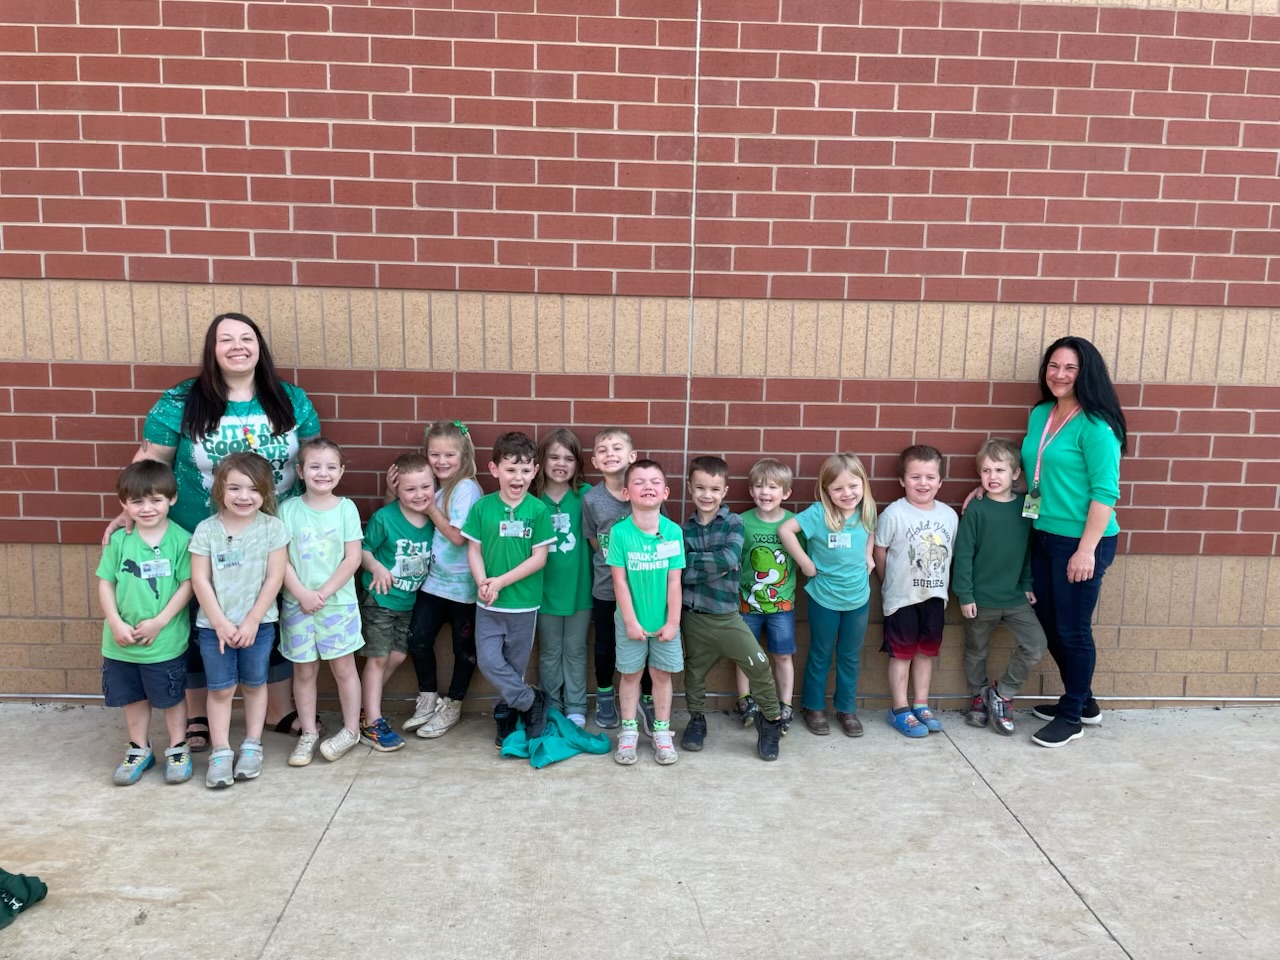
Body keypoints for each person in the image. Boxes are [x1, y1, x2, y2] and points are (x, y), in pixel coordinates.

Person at [105, 312, 320, 752]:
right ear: (213, 349)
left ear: (259, 347)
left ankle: (277, 708)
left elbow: (312, 457)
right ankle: (199, 714)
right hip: (197, 533)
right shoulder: (183, 399)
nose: (237, 346)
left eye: (247, 338)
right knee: (200, 618)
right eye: (226, 339)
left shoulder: (290, 399)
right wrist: (129, 509)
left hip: (271, 532)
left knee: (269, 612)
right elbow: (151, 459)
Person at [1023, 337, 1126, 748]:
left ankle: (1072, 716)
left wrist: (1085, 550)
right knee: (1050, 626)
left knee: (1073, 630)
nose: (1059, 375)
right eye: (1053, 365)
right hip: (1043, 534)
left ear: (1087, 374)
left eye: (1070, 368)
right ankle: (1084, 702)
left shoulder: (1097, 425)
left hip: (1082, 543)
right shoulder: (1041, 414)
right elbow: (1032, 469)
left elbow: (1105, 492)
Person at [189, 452, 289, 789]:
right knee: (220, 689)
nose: (244, 496)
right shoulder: (206, 530)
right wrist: (219, 622)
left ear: (265, 492)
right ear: (220, 489)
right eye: (234, 488)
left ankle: (252, 744)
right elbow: (200, 580)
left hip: (257, 626)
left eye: (253, 489)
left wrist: (251, 622)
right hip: (213, 628)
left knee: (254, 684)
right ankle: (220, 751)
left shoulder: (272, 529)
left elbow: (274, 579)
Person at [678, 456, 782, 761]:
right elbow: (678, 570)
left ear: (724, 490)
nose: (706, 495)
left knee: (759, 664)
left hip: (726, 616)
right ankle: (697, 720)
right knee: (695, 672)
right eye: (699, 488)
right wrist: (705, 563)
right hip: (694, 616)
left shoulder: (734, 522)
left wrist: (693, 561)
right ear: (690, 488)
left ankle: (771, 721)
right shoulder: (683, 530)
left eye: (713, 489)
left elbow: (729, 559)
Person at [96, 460, 193, 785]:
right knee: (133, 698)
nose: (147, 508)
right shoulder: (120, 540)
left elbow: (187, 585)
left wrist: (160, 622)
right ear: (124, 504)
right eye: (137, 501)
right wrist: (115, 622)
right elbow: (106, 582)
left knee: (170, 697)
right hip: (121, 641)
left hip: (163, 642)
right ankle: (139, 748)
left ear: (172, 499)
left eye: (156, 500)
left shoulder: (181, 540)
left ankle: (178, 747)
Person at [461, 432, 556, 746]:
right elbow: (473, 550)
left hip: (523, 604)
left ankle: (507, 712)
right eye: (511, 469)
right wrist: (483, 583)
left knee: (514, 666)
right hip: (489, 604)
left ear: (534, 471)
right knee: (489, 661)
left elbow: (539, 558)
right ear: (494, 469)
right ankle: (531, 702)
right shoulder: (483, 508)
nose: (518, 477)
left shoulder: (538, 510)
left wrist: (501, 581)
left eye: (525, 470)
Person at [279, 438, 365, 765]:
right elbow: (280, 559)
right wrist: (302, 593)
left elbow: (352, 558)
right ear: (300, 471)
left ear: (341, 472)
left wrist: (324, 593)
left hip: (337, 605)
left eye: (331, 467)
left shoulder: (346, 509)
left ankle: (350, 730)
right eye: (314, 466)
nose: (322, 473)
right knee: (304, 672)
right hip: (297, 604)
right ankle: (309, 733)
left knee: (344, 669)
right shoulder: (288, 510)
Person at [778, 454, 876, 738]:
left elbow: (871, 531)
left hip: (858, 597)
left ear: (863, 485)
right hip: (824, 597)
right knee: (821, 652)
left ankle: (846, 708)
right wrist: (805, 562)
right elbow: (785, 529)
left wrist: (868, 555)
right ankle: (813, 706)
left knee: (850, 655)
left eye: (853, 486)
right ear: (826, 490)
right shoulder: (818, 513)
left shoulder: (866, 510)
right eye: (838, 488)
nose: (847, 494)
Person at [954, 439, 1047, 736]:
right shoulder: (976, 510)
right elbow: (964, 554)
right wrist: (965, 593)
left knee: (1035, 644)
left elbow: (1029, 549)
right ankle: (979, 698)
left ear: (1016, 473)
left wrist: (1027, 583)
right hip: (980, 599)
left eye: (1000, 470)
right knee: (976, 651)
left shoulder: (1027, 507)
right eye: (985, 471)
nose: (992, 476)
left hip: (1015, 597)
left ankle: (1002, 694)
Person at [874, 445, 959, 739]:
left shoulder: (949, 516)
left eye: (930, 477)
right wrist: (888, 583)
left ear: (940, 482)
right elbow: (880, 550)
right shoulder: (894, 514)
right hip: (902, 599)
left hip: (935, 597)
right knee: (902, 654)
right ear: (902, 480)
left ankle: (921, 704)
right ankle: (899, 709)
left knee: (926, 652)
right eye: (915, 477)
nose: (923, 483)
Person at [405, 420, 482, 739]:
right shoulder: (431, 486)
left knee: (463, 649)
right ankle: (427, 697)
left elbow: (459, 538)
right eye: (434, 454)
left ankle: (453, 703)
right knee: (417, 638)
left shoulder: (466, 488)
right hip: (433, 583)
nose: (441, 461)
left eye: (449, 455)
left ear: (463, 455)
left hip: (463, 588)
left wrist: (433, 510)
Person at [605, 460, 686, 765]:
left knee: (662, 676)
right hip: (631, 623)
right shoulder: (620, 533)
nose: (647, 487)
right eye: (639, 482)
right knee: (630, 675)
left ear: (665, 492)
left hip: (664, 623)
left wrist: (673, 622)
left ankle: (662, 732)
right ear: (627, 492)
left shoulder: (673, 532)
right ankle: (628, 732)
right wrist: (629, 621)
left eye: (654, 482)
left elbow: (674, 580)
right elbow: (619, 580)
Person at [358, 452, 436, 751]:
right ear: (397, 489)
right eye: (410, 489)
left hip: (408, 602)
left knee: (398, 656)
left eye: (425, 487)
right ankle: (372, 722)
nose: (419, 495)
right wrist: (376, 567)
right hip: (380, 598)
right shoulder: (385, 518)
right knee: (378, 657)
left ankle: (367, 707)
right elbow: (362, 549)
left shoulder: (433, 518)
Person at [582, 427, 654, 731]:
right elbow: (594, 541)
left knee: (645, 643)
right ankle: (604, 694)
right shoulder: (592, 500)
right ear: (595, 461)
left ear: (632, 456)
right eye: (602, 450)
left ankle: (647, 698)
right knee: (606, 645)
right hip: (606, 587)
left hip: (644, 588)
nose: (610, 454)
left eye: (617, 448)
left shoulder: (642, 489)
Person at [533, 429, 594, 727]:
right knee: (549, 650)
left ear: (578, 464)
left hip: (580, 588)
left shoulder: (586, 495)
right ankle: (552, 703)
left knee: (575, 648)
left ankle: (576, 704)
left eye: (569, 458)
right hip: (543, 590)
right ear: (541, 460)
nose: (560, 464)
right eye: (554, 457)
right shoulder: (532, 497)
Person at [735, 457, 799, 734]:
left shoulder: (794, 524)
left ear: (786, 493)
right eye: (759, 486)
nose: (765, 492)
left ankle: (785, 704)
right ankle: (745, 700)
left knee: (782, 655)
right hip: (746, 604)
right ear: (751, 490)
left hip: (781, 606)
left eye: (773, 487)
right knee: (746, 654)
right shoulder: (741, 522)